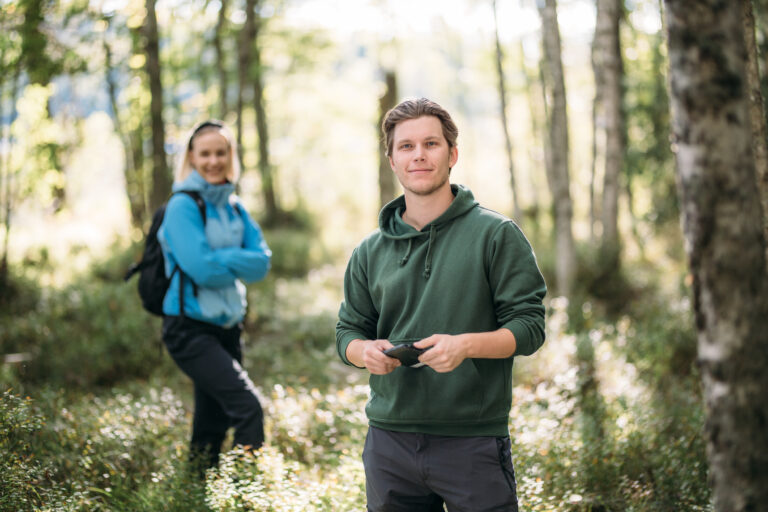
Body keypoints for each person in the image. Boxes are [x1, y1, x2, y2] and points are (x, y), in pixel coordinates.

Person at [336, 98, 547, 511]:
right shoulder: (368, 251)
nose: (418, 155)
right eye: (406, 146)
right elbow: (347, 331)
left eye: (431, 144)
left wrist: (464, 345)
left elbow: (529, 326)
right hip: (389, 442)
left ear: (452, 154)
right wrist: (364, 352)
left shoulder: (496, 235)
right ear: (392, 161)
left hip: (473, 439)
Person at [158, 120, 271, 469]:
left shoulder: (234, 206)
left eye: (220, 152)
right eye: (204, 153)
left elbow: (262, 263)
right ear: (191, 157)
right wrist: (234, 261)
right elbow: (200, 269)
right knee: (247, 407)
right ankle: (244, 492)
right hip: (189, 327)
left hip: (228, 326)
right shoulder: (182, 206)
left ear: (230, 155)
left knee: (213, 420)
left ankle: (196, 491)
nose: (213, 160)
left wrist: (218, 257)